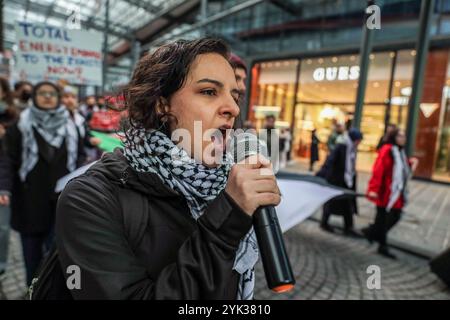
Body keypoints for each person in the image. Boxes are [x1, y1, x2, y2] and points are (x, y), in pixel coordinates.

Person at [54, 38, 281, 299]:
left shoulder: (225, 183)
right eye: (209, 91)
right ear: (162, 105)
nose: (232, 108)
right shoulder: (89, 198)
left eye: (235, 95)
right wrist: (227, 219)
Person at [0, 81, 86, 285]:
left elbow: (80, 156)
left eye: (52, 94)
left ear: (57, 98)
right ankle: (32, 289)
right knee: (31, 255)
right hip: (29, 201)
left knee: (56, 254)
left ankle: (48, 290)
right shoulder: (20, 125)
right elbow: (7, 160)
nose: (47, 97)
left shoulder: (72, 125)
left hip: (62, 201)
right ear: (34, 98)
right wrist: (3, 186)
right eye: (42, 93)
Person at [362, 128, 418, 259]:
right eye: (400, 136)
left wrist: (410, 163)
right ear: (394, 137)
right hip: (385, 193)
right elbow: (379, 169)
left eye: (404, 136)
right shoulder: (387, 149)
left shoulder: (400, 151)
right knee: (382, 219)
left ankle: (371, 232)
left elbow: (401, 168)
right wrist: (373, 189)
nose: (403, 139)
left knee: (395, 216)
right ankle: (382, 244)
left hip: (395, 193)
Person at [317, 128, 363, 235]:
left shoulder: (352, 148)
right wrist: (322, 175)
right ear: (353, 139)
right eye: (358, 140)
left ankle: (349, 226)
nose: (359, 143)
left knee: (347, 204)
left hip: (347, 180)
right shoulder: (341, 146)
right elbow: (330, 161)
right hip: (336, 180)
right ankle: (324, 223)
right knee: (331, 201)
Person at [0, 77, 19, 276]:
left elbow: (9, 159)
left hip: (2, 182)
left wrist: (4, 187)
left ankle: (1, 266)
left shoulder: (12, 119)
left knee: (2, 228)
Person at [61, 87, 101, 161]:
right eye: (66, 97)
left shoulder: (79, 117)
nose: (70, 100)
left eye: (73, 97)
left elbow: (85, 137)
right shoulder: (54, 119)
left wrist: (90, 140)